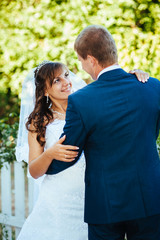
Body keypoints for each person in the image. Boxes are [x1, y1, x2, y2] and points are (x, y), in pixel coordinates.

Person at [46, 25, 160, 240]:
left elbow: (68, 154)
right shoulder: (153, 86)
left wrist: (40, 165)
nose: (81, 66)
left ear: (91, 59)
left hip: (105, 204)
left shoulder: (81, 100)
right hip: (150, 197)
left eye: (80, 60)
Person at [16, 59, 148, 240]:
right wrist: (50, 154)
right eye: (57, 80)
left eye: (66, 75)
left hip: (94, 198)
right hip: (58, 204)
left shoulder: (88, 106)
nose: (66, 82)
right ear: (45, 91)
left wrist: (132, 76)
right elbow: (34, 170)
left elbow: (112, 90)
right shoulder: (39, 123)